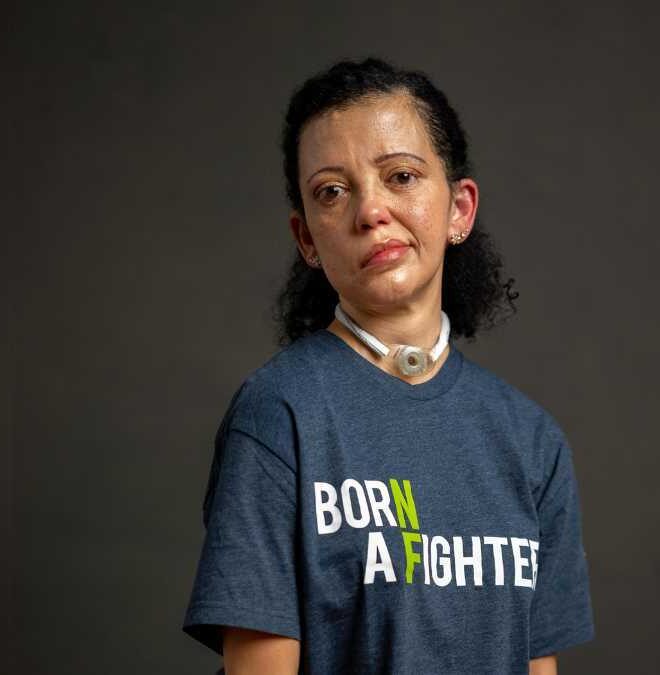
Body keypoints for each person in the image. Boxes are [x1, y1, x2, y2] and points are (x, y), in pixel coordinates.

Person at [182, 57, 595, 674]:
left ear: (459, 208)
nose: (369, 211)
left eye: (400, 175)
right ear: (307, 239)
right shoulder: (279, 415)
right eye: (331, 191)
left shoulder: (530, 441)